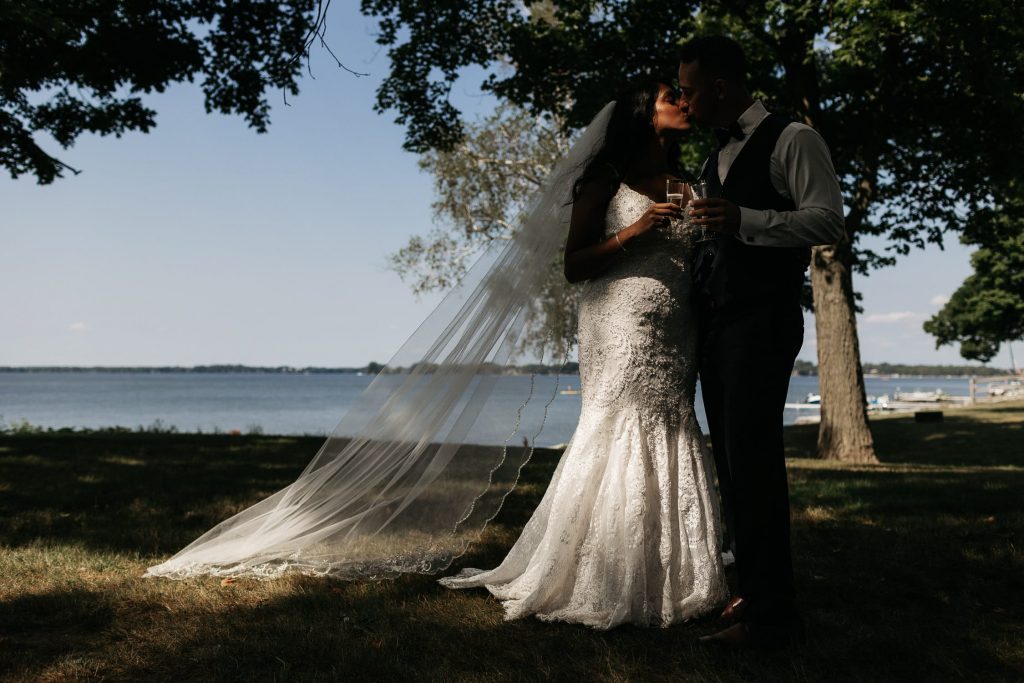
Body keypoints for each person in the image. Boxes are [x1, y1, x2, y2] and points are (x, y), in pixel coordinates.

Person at [439, 82, 729, 629]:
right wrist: (638, 230)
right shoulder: (604, 180)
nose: (687, 103)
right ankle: (600, 571)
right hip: (617, 321)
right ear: (645, 114)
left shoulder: (691, 184)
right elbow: (573, 265)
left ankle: (673, 572)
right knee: (617, 425)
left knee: (672, 425)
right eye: (674, 96)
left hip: (677, 330)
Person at [676, 36, 845, 647]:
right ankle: (753, 589)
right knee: (730, 463)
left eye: (689, 89)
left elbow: (828, 221)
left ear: (720, 86)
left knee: (754, 465)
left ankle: (773, 619)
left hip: (762, 321)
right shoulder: (710, 157)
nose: (682, 102)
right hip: (718, 326)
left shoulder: (794, 138)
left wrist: (743, 220)